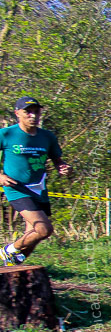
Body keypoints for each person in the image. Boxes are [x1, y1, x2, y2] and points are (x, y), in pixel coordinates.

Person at [0, 96, 72, 265]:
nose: (33, 115)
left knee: (33, 236)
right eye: (28, 112)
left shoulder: (47, 137)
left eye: (36, 112)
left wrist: (64, 167)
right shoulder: (7, 134)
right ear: (17, 113)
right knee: (44, 229)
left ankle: (12, 268)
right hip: (17, 188)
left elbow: (58, 159)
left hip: (39, 189)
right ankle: (8, 250)